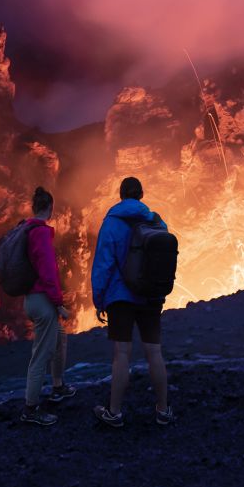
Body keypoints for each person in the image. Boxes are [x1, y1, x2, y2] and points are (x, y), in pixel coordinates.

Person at [90, 176, 173, 429]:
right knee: (154, 352)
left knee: (121, 354)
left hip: (120, 298)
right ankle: (162, 410)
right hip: (150, 296)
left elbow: (103, 265)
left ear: (121, 195)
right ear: (141, 196)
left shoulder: (112, 223)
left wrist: (99, 299)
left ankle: (114, 412)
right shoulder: (156, 220)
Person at [20, 185, 74, 426]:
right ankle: (30, 409)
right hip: (42, 301)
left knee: (60, 336)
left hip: (32, 299)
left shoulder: (27, 230)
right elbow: (48, 272)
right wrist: (59, 303)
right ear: (50, 209)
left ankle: (58, 386)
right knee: (41, 355)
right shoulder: (40, 234)